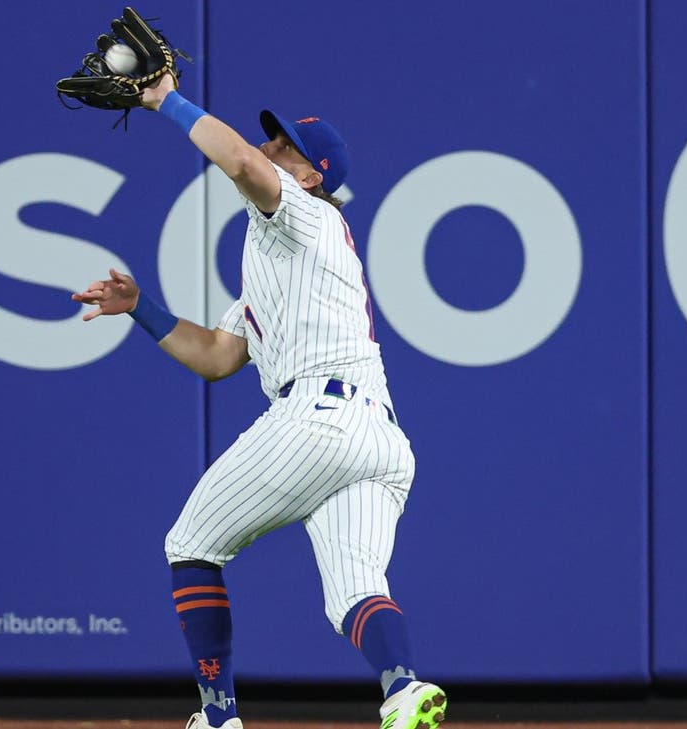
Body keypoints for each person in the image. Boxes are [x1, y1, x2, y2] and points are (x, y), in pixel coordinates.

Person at [71, 71, 446, 729]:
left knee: (190, 542)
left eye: (288, 147)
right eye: (274, 138)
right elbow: (217, 356)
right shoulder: (281, 258)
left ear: (311, 178)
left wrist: (166, 101)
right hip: (379, 440)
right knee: (357, 592)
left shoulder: (306, 215)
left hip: (320, 419)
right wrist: (141, 308)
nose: (271, 148)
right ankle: (404, 688)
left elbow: (238, 159)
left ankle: (218, 717)